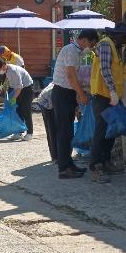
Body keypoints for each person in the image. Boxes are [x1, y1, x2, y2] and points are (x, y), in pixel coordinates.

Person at [88, 22, 126, 183]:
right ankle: (95, 167)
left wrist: (116, 94)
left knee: (111, 131)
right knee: (101, 132)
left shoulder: (114, 46)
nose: (125, 42)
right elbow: (105, 69)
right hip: (103, 95)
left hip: (111, 96)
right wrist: (113, 91)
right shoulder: (106, 44)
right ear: (119, 35)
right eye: (124, 39)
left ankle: (105, 162)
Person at [51, 29, 98, 179]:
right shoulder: (71, 50)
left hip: (68, 93)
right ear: (84, 40)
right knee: (64, 132)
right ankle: (63, 169)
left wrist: (79, 92)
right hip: (62, 93)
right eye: (91, 44)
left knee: (69, 131)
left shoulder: (78, 52)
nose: (91, 47)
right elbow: (71, 76)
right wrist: (82, 94)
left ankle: (69, 164)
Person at [0, 56, 35, 140]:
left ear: (4, 65)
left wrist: (14, 98)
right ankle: (19, 132)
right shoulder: (7, 70)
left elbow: (19, 87)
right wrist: (5, 85)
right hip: (18, 89)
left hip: (27, 89)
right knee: (18, 111)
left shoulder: (13, 71)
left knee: (26, 111)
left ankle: (30, 133)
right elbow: (10, 80)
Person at [35, 81, 57, 162]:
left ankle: (55, 155)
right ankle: (55, 156)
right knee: (52, 129)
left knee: (52, 129)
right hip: (46, 102)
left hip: (46, 98)